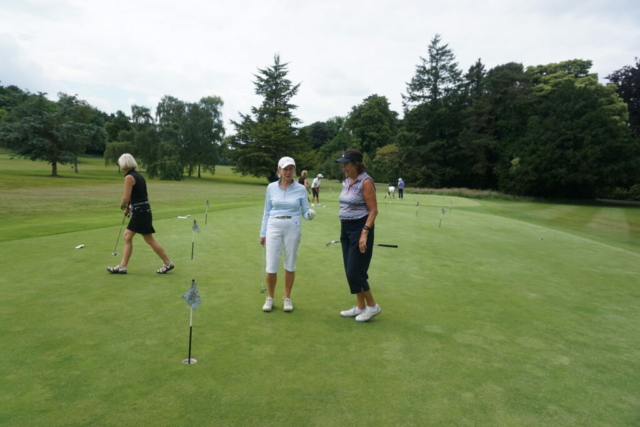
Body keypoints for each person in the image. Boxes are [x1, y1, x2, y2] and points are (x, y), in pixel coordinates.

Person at [260, 157, 316, 312]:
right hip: (273, 225)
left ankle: (287, 298)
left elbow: (305, 212)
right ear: (279, 170)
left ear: (295, 170)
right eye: (285, 169)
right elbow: (267, 211)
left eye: (291, 169)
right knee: (271, 264)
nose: (288, 172)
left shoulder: (300, 189)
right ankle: (270, 297)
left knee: (290, 263)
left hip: (293, 225)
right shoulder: (271, 187)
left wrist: (309, 214)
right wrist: (263, 233)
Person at [107, 153, 174, 274]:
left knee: (147, 239)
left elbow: (126, 198)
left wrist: (122, 206)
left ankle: (167, 262)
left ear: (123, 164)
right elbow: (138, 197)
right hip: (143, 210)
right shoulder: (138, 176)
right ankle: (123, 266)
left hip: (141, 212)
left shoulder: (129, 177)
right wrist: (130, 207)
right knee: (130, 237)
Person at [335, 149, 381, 322]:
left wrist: (364, 233)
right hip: (346, 228)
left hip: (360, 228)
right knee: (349, 270)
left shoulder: (366, 181)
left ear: (356, 164)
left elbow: (373, 210)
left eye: (346, 164)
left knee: (355, 271)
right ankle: (360, 306)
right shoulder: (347, 181)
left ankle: (372, 306)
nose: (343, 168)